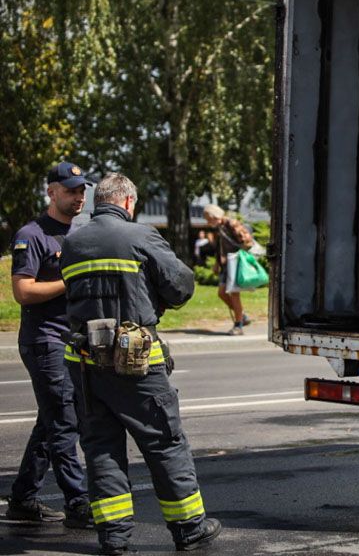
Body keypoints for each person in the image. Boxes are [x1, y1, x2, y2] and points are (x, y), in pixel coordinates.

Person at [61, 173, 222, 554]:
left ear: (100, 201)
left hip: (85, 364)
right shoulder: (140, 236)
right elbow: (180, 285)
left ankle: (114, 539)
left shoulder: (72, 242)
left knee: (101, 449)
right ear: (129, 202)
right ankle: (189, 529)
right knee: (164, 444)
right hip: (136, 363)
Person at [5, 162, 93, 528]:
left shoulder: (79, 234)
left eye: (81, 190)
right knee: (64, 423)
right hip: (45, 341)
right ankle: (78, 503)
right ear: (51, 192)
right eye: (71, 190)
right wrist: (69, 281)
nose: (78, 197)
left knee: (50, 421)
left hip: (71, 339)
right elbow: (22, 292)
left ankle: (23, 497)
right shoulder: (33, 234)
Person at [201, 205, 256, 336]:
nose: (208, 222)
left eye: (209, 219)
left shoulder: (231, 223)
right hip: (226, 265)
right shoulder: (220, 227)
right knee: (221, 293)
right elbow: (220, 247)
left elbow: (248, 241)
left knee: (234, 294)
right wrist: (216, 263)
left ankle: (238, 326)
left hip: (235, 263)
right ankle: (242, 315)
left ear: (215, 216)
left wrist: (239, 254)